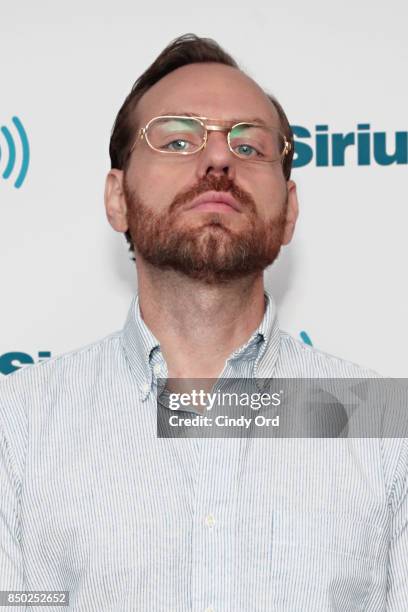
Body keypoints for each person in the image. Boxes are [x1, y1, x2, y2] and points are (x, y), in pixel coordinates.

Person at [0, 33, 407, 611]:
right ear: (116, 198)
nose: (218, 158)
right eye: (177, 139)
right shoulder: (14, 428)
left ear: (289, 209)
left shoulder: (389, 430)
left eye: (249, 146)